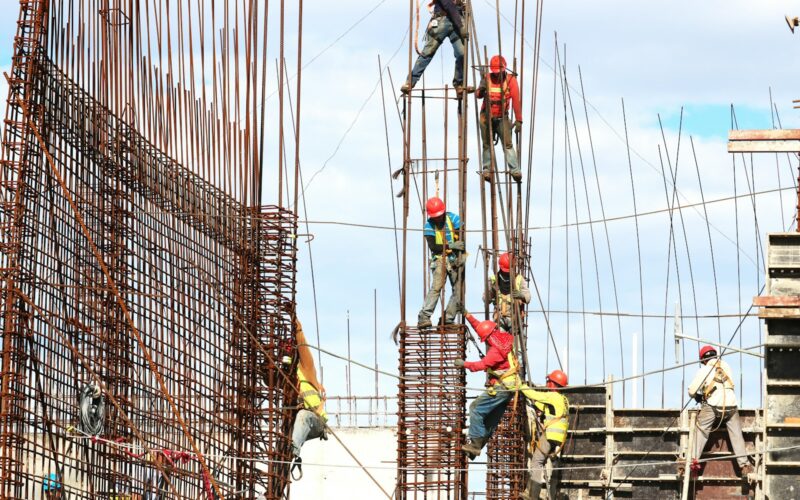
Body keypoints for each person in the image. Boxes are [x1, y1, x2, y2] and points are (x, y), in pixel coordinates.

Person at [456, 313, 518, 459]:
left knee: (475, 409)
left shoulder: (496, 351)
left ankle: (475, 445)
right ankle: (476, 448)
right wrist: (467, 315)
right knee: (490, 421)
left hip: (501, 388)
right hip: (509, 388)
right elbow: (481, 328)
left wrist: (464, 364)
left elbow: (481, 365)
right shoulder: (504, 337)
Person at [687, 345, 753, 477]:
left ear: (703, 360)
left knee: (701, 431)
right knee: (736, 435)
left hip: (713, 406)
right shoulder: (726, 366)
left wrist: (698, 397)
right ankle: (744, 465)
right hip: (731, 407)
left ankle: (693, 462)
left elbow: (691, 391)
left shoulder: (704, 369)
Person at [520, 370, 570, 500]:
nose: (547, 383)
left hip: (551, 434)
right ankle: (547, 492)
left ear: (554, 384)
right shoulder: (564, 399)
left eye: (549, 381)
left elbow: (533, 394)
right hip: (559, 438)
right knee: (551, 462)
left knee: (537, 462)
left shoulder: (552, 396)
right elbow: (546, 406)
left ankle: (533, 495)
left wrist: (521, 385)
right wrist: (535, 404)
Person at [401, 0, 468, 94]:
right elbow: (448, 4)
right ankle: (410, 82)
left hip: (456, 22)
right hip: (442, 21)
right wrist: (461, 26)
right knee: (427, 53)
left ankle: (459, 83)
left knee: (462, 54)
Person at [290, 319, 328, 479]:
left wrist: (298, 329)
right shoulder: (287, 378)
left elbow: (303, 348)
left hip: (316, 421)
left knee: (303, 415)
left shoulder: (305, 369)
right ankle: (289, 450)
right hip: (300, 426)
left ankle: (293, 450)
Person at [418, 197, 464, 328]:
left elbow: (461, 237)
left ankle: (447, 319)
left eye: (439, 216)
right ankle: (424, 317)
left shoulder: (453, 218)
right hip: (439, 259)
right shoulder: (428, 226)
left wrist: (459, 250)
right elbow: (433, 247)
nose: (437, 219)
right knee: (437, 287)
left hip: (454, 259)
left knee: (459, 290)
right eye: (435, 217)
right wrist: (451, 246)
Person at [476, 55, 522, 182]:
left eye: (499, 72)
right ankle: (486, 170)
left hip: (502, 118)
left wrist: (519, 120)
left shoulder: (510, 80)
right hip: (486, 116)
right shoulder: (487, 78)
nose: (497, 75)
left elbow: (516, 100)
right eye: (495, 72)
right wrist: (482, 87)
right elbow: (478, 95)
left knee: (507, 145)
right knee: (486, 144)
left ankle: (515, 170)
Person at [484, 252, 530, 332]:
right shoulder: (493, 280)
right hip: (499, 318)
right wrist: (491, 290)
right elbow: (486, 299)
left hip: (514, 318)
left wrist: (521, 296)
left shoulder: (519, 279)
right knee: (501, 342)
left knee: (514, 342)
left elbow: (528, 297)